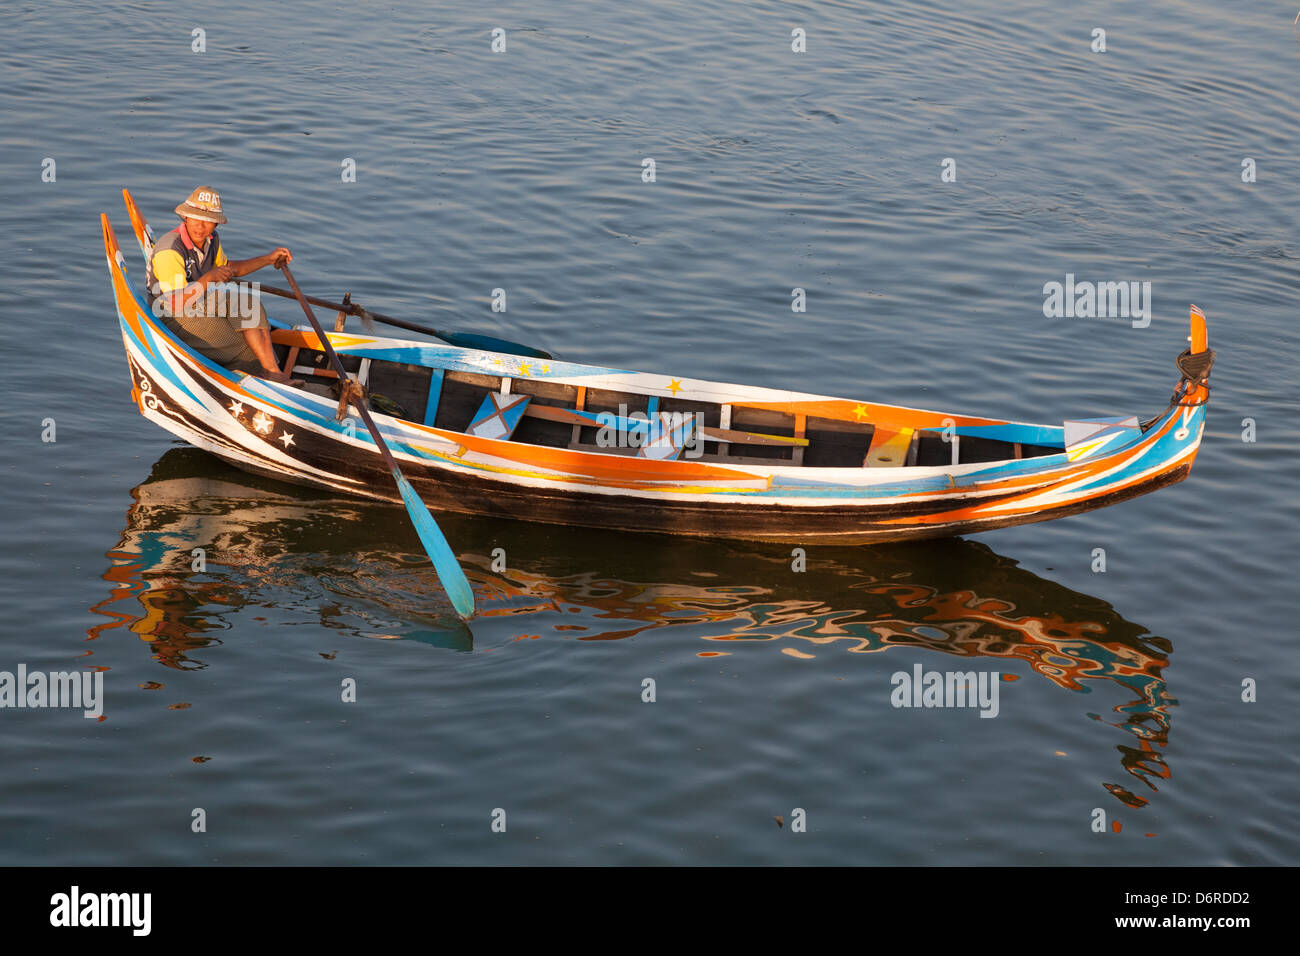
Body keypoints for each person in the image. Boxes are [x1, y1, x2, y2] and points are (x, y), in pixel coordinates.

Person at [146, 186, 301, 384]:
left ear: (216, 224)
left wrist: (268, 259)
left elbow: (230, 269)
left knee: (249, 304)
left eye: (208, 221)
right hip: (171, 314)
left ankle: (273, 372)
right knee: (241, 347)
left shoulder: (211, 240)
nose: (200, 226)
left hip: (200, 299)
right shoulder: (170, 249)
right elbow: (175, 303)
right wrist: (209, 278)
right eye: (195, 218)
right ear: (185, 217)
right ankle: (258, 374)